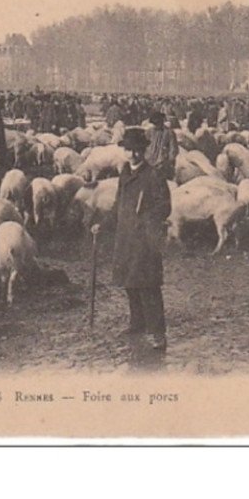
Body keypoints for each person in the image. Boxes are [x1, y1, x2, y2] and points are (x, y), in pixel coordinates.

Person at [99, 126, 172, 351]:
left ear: (144, 151)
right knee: (130, 284)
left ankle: (158, 333)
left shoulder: (153, 174)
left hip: (145, 240)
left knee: (148, 286)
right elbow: (118, 204)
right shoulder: (125, 174)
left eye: (137, 150)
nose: (133, 154)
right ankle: (137, 323)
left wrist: (148, 217)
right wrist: (101, 224)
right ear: (124, 151)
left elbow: (165, 206)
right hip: (126, 238)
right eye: (129, 150)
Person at [145, 111, 179, 180]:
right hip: (149, 161)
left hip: (162, 162)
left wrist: (169, 161)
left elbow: (173, 149)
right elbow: (145, 146)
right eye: (155, 123)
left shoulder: (169, 133)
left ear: (162, 121)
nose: (157, 125)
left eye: (158, 122)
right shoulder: (149, 132)